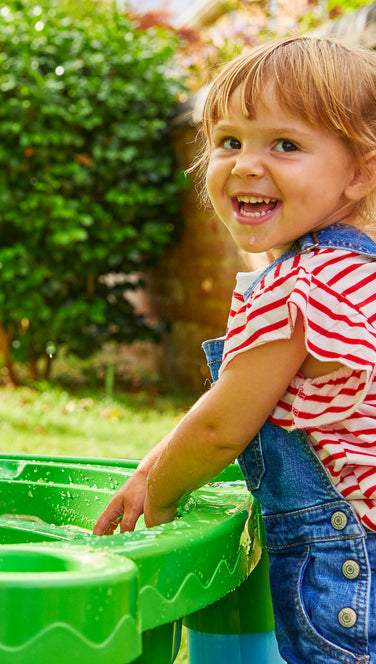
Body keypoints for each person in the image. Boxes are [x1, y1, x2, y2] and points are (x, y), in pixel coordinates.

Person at [93, 36, 376, 663]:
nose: (247, 164)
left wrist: (163, 492)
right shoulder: (351, 273)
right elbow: (230, 403)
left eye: (285, 144)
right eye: (229, 141)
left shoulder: (299, 288)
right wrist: (149, 464)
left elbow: (224, 426)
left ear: (359, 171)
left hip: (351, 564)